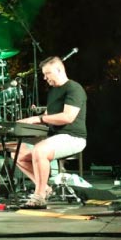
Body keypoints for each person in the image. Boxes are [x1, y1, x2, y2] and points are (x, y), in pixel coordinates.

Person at [15, 56, 87, 209]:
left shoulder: (74, 88)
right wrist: (25, 124)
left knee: (39, 150)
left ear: (59, 70)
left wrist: (37, 119)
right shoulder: (53, 92)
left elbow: (67, 117)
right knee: (17, 153)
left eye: (47, 73)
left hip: (74, 137)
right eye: (44, 74)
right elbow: (48, 117)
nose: (45, 77)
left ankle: (39, 196)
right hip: (55, 137)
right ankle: (45, 188)